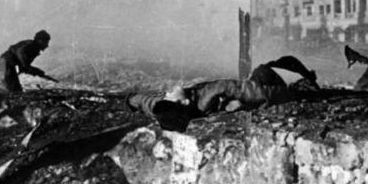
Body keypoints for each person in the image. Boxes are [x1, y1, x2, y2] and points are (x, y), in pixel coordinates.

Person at [126, 56, 319, 131]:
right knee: (264, 68)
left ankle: (305, 80)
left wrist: (130, 100)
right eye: (169, 95)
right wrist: (295, 95)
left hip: (244, 96)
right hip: (262, 89)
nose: (167, 92)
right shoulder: (210, 94)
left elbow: (147, 102)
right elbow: (252, 91)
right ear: (184, 104)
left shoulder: (166, 110)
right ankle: (306, 81)